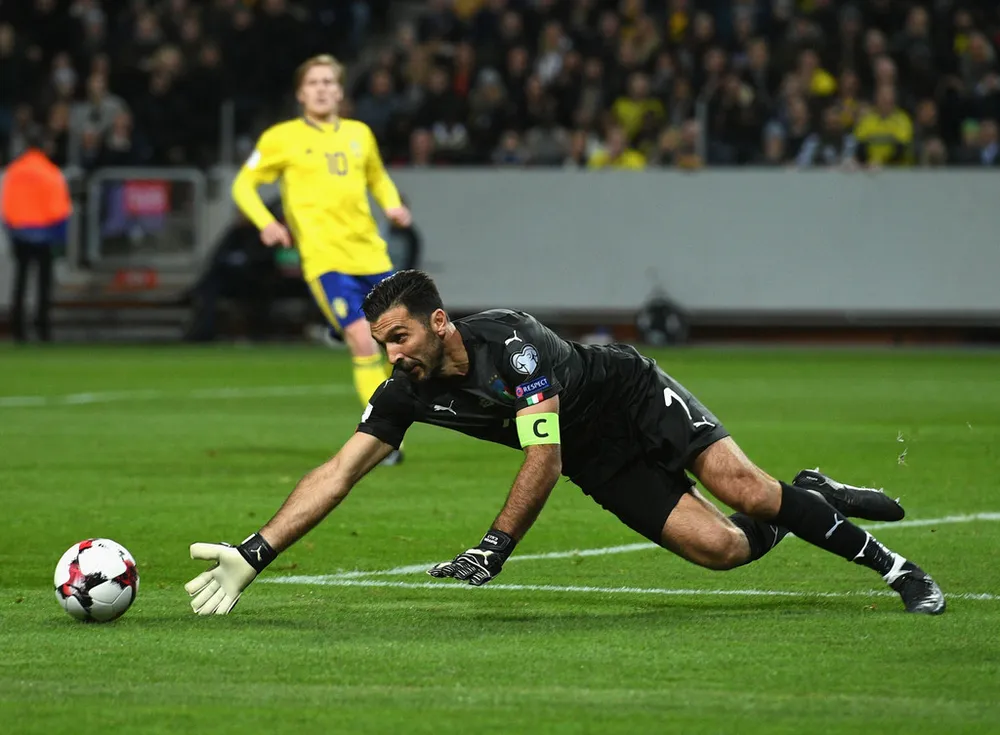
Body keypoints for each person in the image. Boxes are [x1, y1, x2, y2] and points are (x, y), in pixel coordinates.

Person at [185, 270, 945, 617]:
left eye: (401, 336)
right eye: (382, 342)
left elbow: (539, 453)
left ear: (440, 321)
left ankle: (897, 571)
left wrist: (494, 544)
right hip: (597, 456)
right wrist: (257, 550)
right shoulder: (406, 389)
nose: (392, 354)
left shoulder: (509, 343)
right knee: (725, 548)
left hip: (632, 397)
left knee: (744, 487)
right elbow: (340, 470)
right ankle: (809, 491)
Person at [231, 54, 411, 464]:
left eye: (330, 81)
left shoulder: (359, 134)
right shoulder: (282, 138)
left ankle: (397, 410)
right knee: (364, 341)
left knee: (408, 342)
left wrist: (393, 205)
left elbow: (377, 177)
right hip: (326, 260)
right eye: (314, 83)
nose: (322, 89)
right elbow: (244, 185)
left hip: (371, 254)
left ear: (341, 90)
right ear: (300, 93)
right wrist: (265, 222)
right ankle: (384, 442)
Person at [1, 126, 72, 342]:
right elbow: (60, 209)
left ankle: (18, 329)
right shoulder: (50, 172)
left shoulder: (14, 172)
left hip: (20, 233)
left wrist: (13, 230)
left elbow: (6, 206)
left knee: (20, 282)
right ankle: (43, 328)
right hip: (45, 235)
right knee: (43, 284)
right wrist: (60, 238)